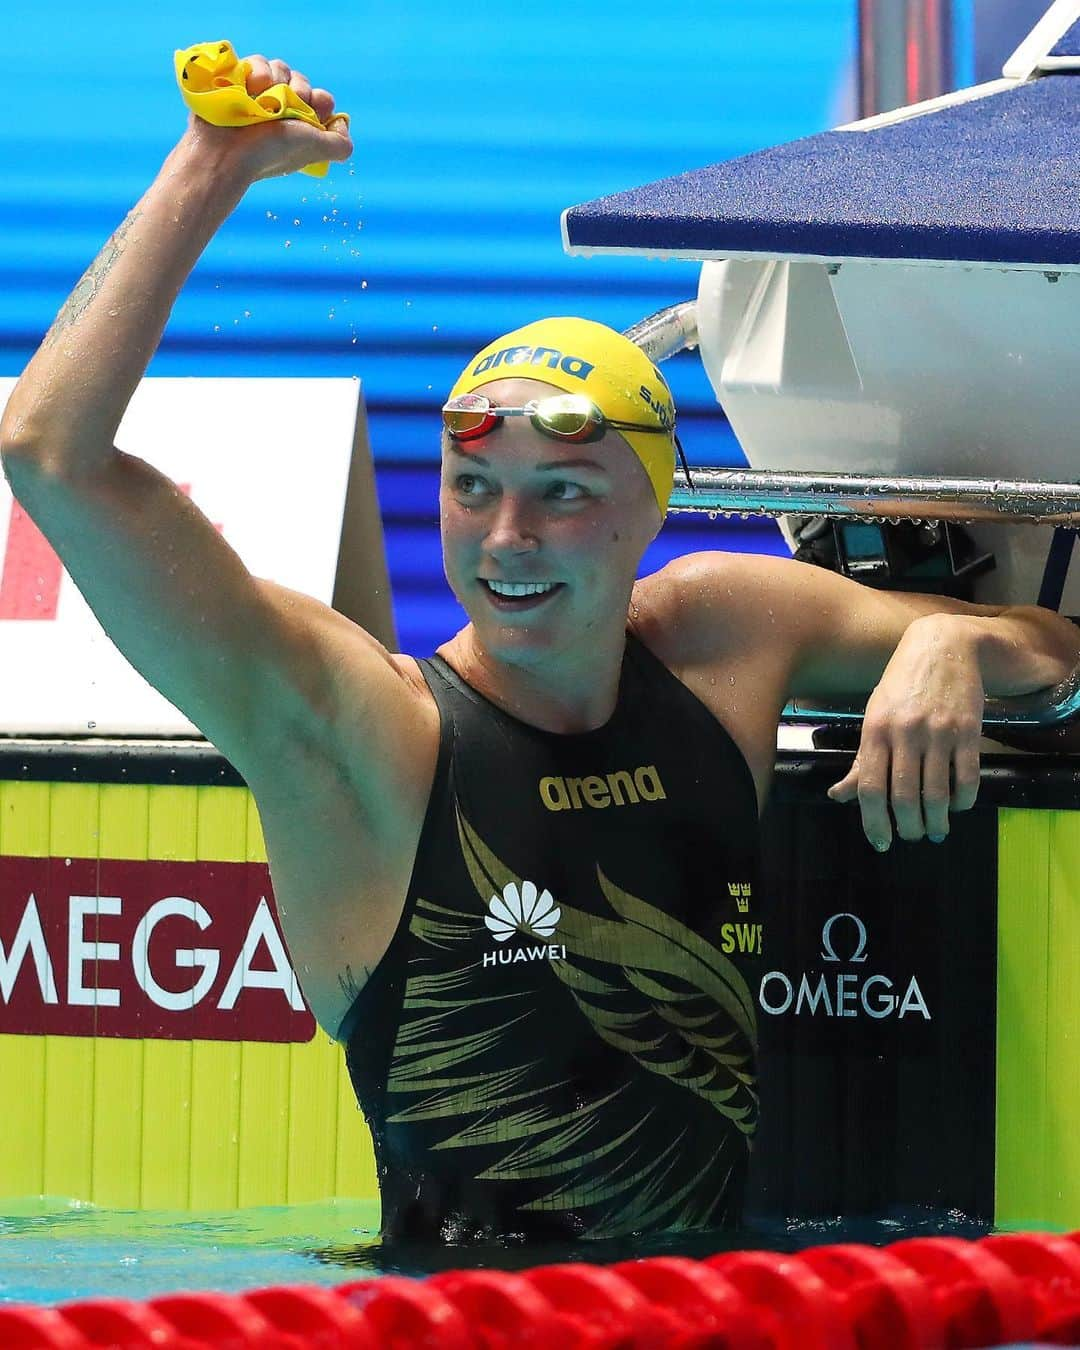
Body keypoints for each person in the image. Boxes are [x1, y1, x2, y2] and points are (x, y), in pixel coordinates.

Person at [3, 54, 1078, 1246]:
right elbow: (50, 455)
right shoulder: (367, 737)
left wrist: (948, 642)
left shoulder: (726, 635)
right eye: (475, 488)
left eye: (563, 492)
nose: (508, 539)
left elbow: (1058, 647)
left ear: (652, 510)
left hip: (715, 1315)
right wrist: (209, 168)